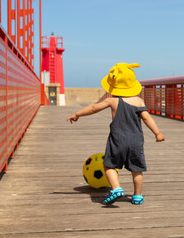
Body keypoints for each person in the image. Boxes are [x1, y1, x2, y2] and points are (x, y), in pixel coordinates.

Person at [67, 63, 165, 205]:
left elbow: (94, 108)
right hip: (136, 141)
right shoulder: (138, 101)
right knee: (137, 170)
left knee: (109, 165)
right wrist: (158, 133)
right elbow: (146, 118)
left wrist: (77, 114)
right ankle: (137, 196)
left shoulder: (112, 100)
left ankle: (116, 188)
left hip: (117, 140)